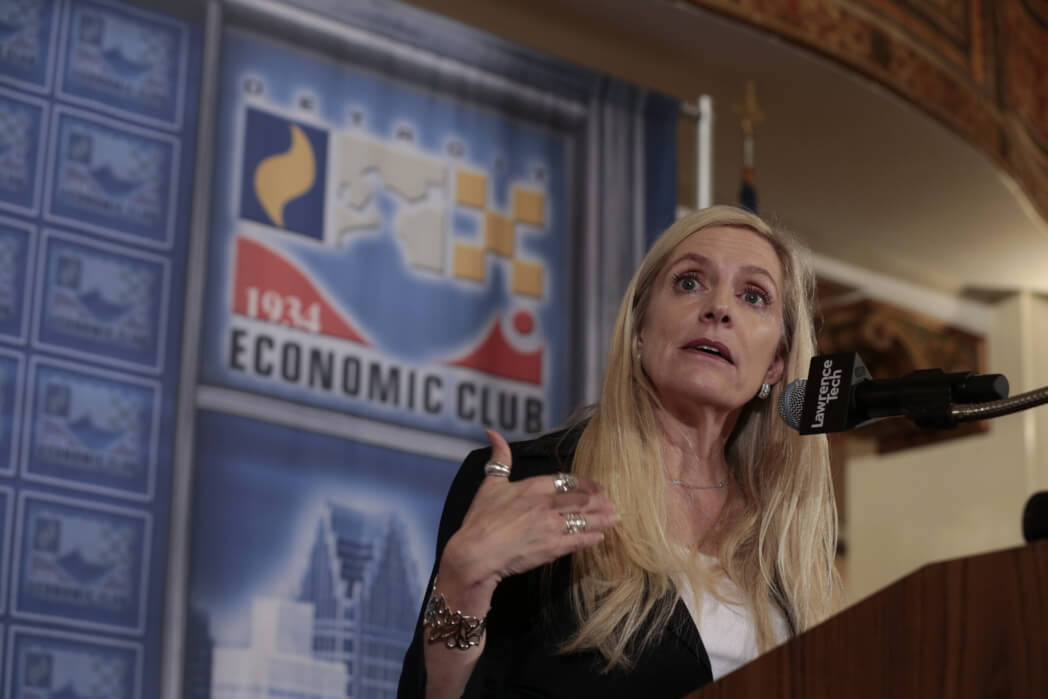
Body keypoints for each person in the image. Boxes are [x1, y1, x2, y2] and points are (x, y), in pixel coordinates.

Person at [398, 206, 841, 698]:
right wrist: (461, 585)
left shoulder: (781, 536)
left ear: (776, 363)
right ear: (639, 329)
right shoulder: (530, 487)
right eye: (690, 282)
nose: (719, 308)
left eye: (753, 296)